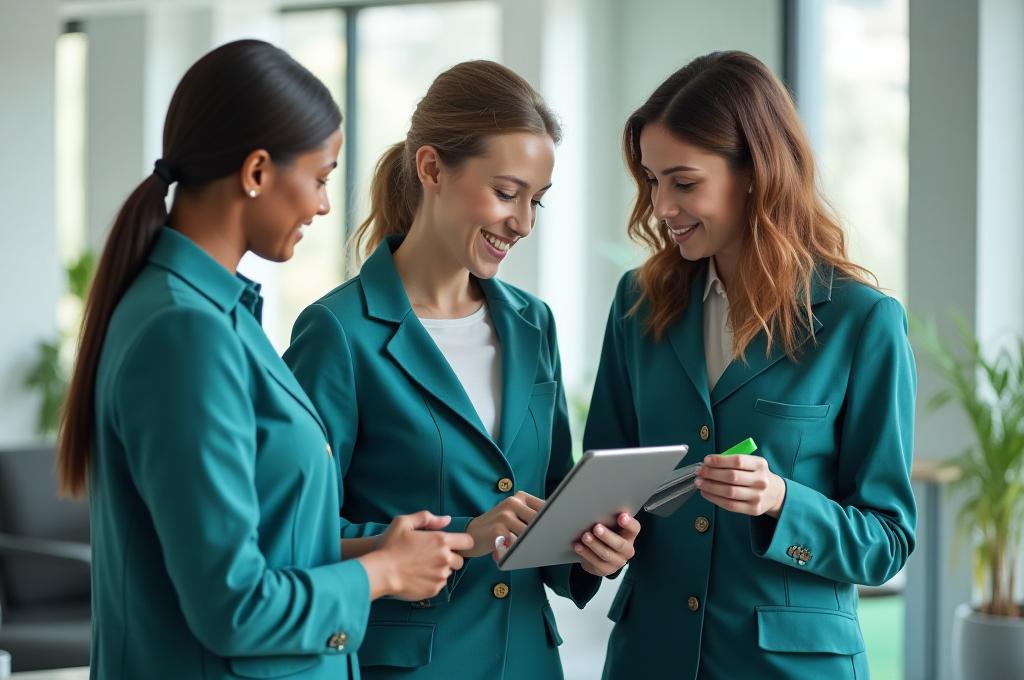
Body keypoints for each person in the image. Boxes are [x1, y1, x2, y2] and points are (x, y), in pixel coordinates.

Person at [57, 39, 471, 680]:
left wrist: (379, 549)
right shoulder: (184, 333)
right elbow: (233, 606)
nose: (324, 205)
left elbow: (259, 542)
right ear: (256, 172)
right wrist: (382, 574)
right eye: (321, 178)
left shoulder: (219, 317)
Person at [283, 60, 639, 679]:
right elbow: (297, 539)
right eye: (506, 193)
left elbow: (548, 510)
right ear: (431, 169)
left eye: (537, 201)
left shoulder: (534, 324)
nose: (523, 223)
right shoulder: (339, 333)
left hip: (528, 661)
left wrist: (592, 551)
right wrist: (467, 538)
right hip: (410, 665)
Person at [584, 50, 917, 679]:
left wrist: (780, 500)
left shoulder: (860, 321)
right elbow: (607, 480)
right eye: (652, 181)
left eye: (683, 182)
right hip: (650, 657)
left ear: (757, 173)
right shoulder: (639, 302)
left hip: (789, 665)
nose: (661, 206)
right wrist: (601, 543)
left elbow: (888, 543)